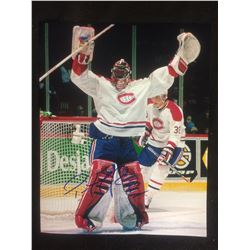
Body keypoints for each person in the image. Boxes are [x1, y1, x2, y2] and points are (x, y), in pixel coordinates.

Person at [70, 26, 200, 232]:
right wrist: (83, 52)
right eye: (116, 75)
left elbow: (166, 76)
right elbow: (79, 76)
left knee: (131, 181)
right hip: (106, 141)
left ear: (129, 76)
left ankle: (131, 215)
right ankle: (89, 217)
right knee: (101, 180)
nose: (119, 80)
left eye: (123, 76)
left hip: (128, 142)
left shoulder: (141, 86)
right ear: (112, 74)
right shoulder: (101, 85)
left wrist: (181, 57)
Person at [137, 92, 186, 209]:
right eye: (153, 96)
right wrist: (146, 132)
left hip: (174, 143)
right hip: (154, 142)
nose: (154, 100)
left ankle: (147, 198)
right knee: (139, 169)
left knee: (160, 171)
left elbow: (175, 135)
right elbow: (149, 120)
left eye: (157, 97)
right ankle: (135, 195)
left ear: (165, 97)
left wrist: (167, 151)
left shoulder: (175, 111)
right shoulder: (149, 105)